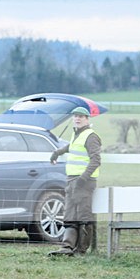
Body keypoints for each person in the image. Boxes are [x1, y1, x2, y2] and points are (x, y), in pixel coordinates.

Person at [49, 106, 102, 255]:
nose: (77, 118)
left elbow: (96, 160)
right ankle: (67, 248)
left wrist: (83, 178)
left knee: (83, 216)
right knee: (70, 214)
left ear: (87, 119)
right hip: (72, 180)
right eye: (75, 116)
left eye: (81, 116)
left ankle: (81, 250)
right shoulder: (77, 134)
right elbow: (72, 147)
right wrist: (58, 152)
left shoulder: (91, 136)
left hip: (84, 182)